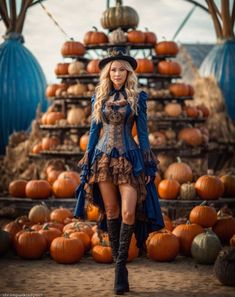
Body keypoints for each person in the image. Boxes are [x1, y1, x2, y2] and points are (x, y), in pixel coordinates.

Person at [74, 47, 164, 295]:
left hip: (129, 158)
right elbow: (94, 133)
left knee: (127, 211)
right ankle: (119, 269)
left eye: (121, 70)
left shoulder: (138, 97)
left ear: (128, 73)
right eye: (113, 70)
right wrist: (88, 160)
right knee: (111, 210)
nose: (116, 74)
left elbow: (143, 134)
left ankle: (121, 263)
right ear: (107, 73)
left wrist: (147, 162)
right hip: (103, 160)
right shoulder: (99, 97)